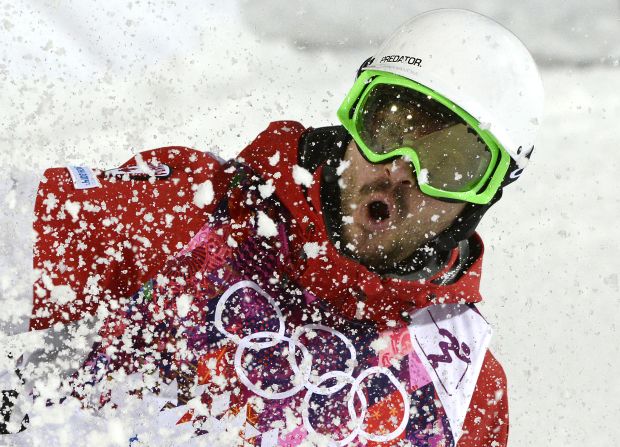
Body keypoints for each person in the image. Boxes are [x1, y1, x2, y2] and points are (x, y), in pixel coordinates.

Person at [1, 8, 543, 446]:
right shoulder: (193, 212)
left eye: (447, 165)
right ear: (352, 119)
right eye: (387, 126)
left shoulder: (460, 391)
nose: (400, 170)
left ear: (484, 197)